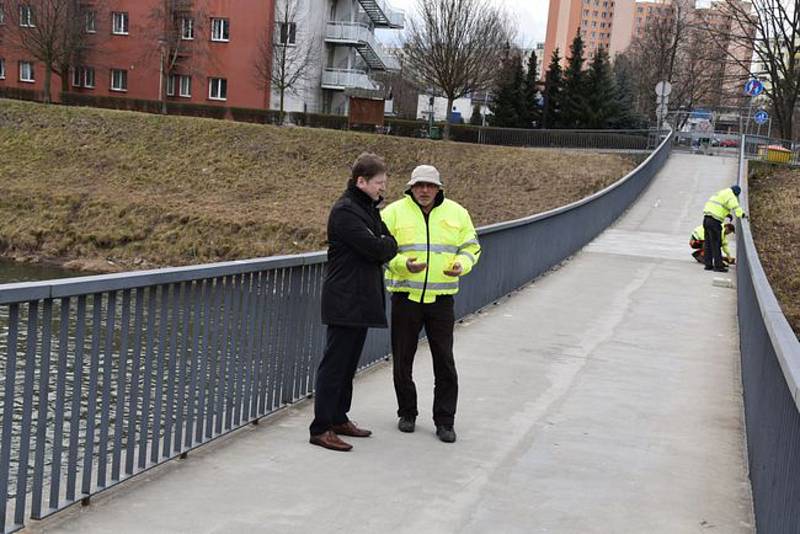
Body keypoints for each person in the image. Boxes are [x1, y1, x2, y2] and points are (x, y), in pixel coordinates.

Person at [381, 165, 481, 443]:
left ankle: (445, 421)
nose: (424, 190)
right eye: (419, 185)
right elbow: (381, 249)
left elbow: (472, 247)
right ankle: (407, 413)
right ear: (410, 187)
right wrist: (402, 265)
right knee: (402, 360)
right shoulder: (392, 213)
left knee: (445, 362)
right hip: (405, 297)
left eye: (429, 186)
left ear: (439, 188)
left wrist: (462, 264)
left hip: (441, 300)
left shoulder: (458, 213)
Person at [309, 153, 398, 452]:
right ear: (361, 181)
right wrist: (384, 245)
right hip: (344, 299)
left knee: (348, 365)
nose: (382, 189)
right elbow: (378, 247)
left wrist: (384, 245)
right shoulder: (346, 211)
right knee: (334, 365)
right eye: (378, 183)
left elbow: (390, 243)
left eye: (383, 183)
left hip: (360, 298)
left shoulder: (367, 208)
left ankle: (338, 417)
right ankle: (320, 428)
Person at [703, 185, 746, 273]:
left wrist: (727, 214)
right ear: (736, 193)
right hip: (714, 222)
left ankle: (708, 265)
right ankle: (718, 266)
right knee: (716, 244)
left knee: (708, 243)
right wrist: (742, 215)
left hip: (706, 219)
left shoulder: (722, 192)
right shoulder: (731, 195)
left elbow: (717, 206)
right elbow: (735, 207)